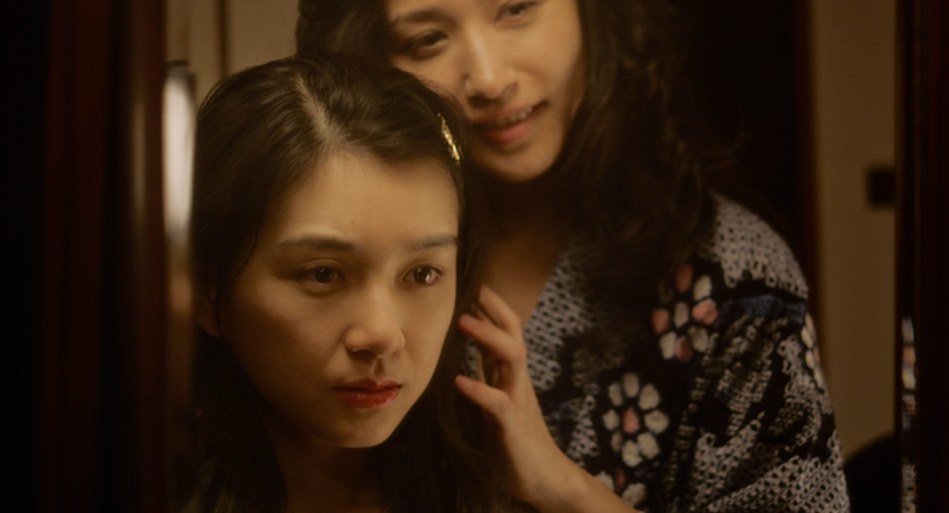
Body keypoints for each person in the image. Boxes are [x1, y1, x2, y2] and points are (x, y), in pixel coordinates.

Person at [296, 1, 851, 513]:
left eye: (516, 9)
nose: (488, 79)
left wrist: (563, 487)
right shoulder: (314, 252)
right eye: (428, 40)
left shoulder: (733, 271)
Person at [185, 53, 509, 513]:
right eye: (323, 274)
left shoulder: (490, 486)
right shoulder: (133, 485)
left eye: (422, 273)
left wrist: (560, 488)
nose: (382, 335)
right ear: (207, 294)